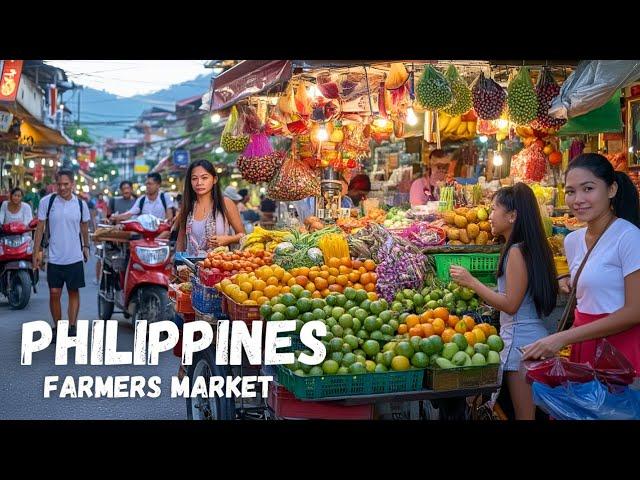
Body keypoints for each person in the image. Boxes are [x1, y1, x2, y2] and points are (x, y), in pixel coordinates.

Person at [450, 183, 558, 419]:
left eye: (494, 209)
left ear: (512, 216)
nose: (490, 215)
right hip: (531, 338)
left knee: (524, 416)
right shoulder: (529, 247)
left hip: (522, 346)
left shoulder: (517, 251)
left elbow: (511, 304)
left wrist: (472, 282)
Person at [523, 153, 640, 372]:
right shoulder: (572, 241)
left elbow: (635, 311)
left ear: (611, 190)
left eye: (588, 189)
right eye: (570, 191)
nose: (578, 199)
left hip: (622, 354)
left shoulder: (629, 237)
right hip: (584, 348)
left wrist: (564, 337)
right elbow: (588, 301)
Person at [33, 169, 91, 341]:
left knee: (73, 292)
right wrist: (36, 252)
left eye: (66, 184)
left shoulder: (81, 205)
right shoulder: (47, 202)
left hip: (74, 257)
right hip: (54, 257)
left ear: (72, 184)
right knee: (54, 293)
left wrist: (86, 246)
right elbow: (40, 228)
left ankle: (72, 326)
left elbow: (84, 228)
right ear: (55, 184)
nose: (62, 187)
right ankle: (58, 327)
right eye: (59, 184)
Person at [176, 160, 245, 256]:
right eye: (194, 178)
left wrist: (228, 239)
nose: (199, 182)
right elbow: (181, 238)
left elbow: (243, 236)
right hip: (191, 268)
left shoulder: (225, 203)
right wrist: (178, 262)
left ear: (214, 179)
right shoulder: (188, 206)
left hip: (220, 267)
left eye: (204, 178)